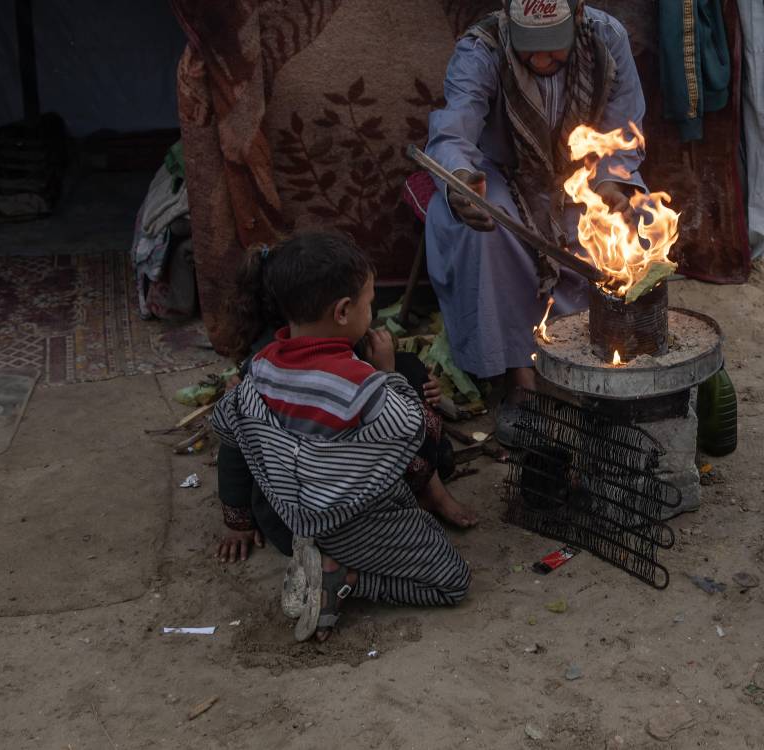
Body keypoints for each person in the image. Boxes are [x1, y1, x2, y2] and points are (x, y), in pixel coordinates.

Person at [210, 232, 477, 643]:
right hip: (350, 521)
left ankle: (328, 561)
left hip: (291, 520)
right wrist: (389, 374)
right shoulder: (359, 384)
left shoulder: (258, 369)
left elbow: (229, 426)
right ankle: (345, 576)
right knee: (452, 581)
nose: (372, 313)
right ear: (342, 312)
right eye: (369, 304)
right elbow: (413, 430)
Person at [424, 0, 648, 443]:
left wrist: (610, 184)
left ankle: (595, 364)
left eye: (553, 47)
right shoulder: (483, 46)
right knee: (487, 231)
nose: (542, 60)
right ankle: (521, 384)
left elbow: (623, 128)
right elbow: (454, 130)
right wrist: (462, 182)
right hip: (503, 174)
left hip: (581, 176)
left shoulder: (607, 39)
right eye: (531, 49)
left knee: (625, 225)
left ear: (577, 16)